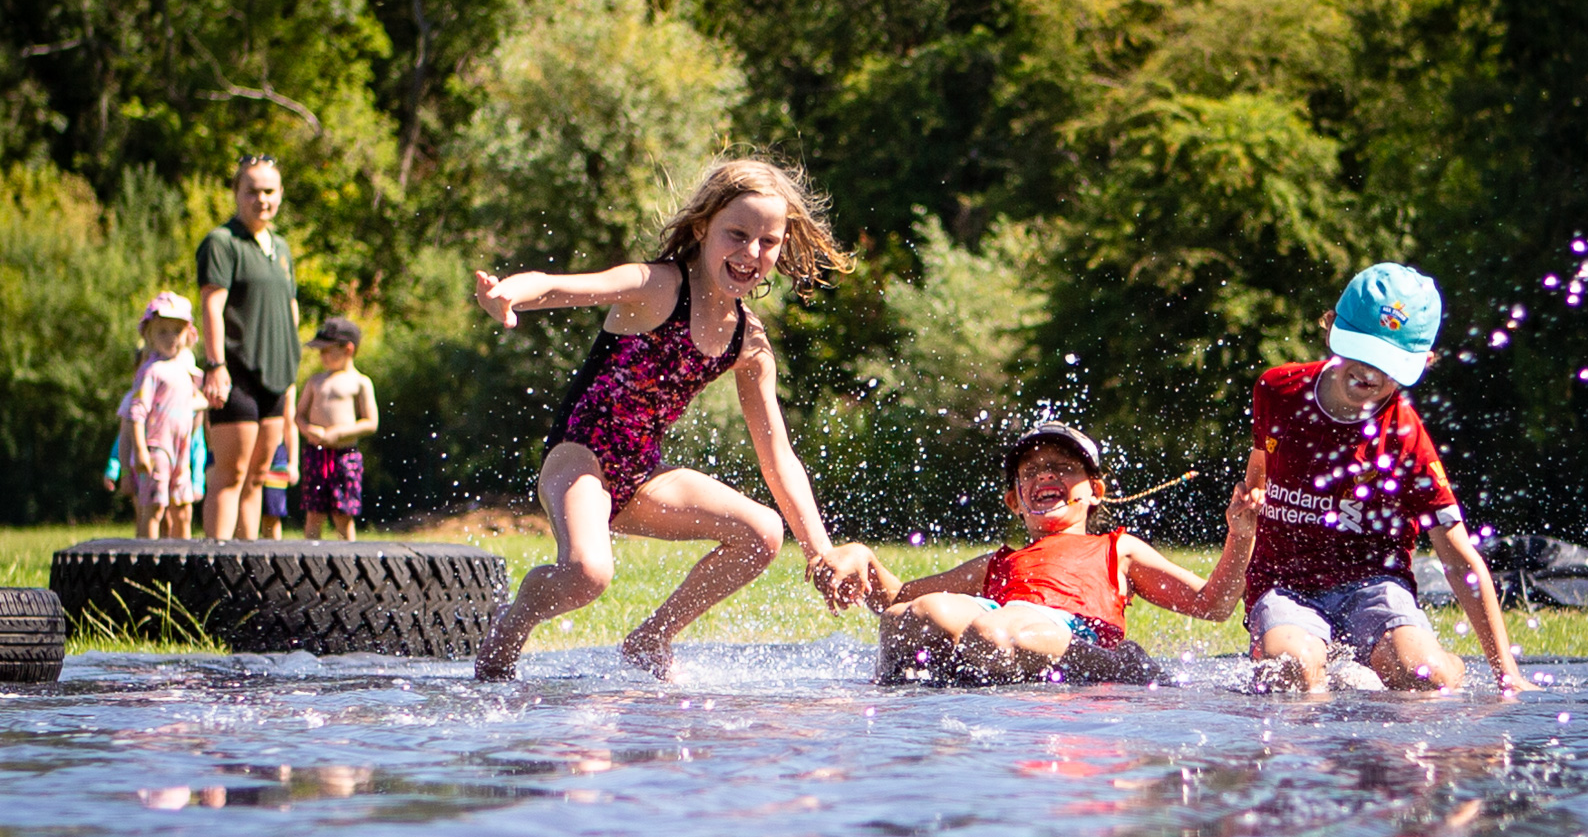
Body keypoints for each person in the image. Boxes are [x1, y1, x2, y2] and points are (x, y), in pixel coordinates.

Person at [470, 157, 882, 681]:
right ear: (702, 227)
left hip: (644, 475)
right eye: (737, 234)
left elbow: (777, 454)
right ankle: (517, 615)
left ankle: (652, 638)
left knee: (763, 532)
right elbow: (559, 286)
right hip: (581, 457)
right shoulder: (657, 286)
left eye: (769, 242)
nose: (751, 253)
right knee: (587, 574)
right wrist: (509, 294)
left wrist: (820, 550)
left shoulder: (748, 342)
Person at [1241, 263, 1536, 693]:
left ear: (1424, 362)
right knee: (1293, 670)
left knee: (1422, 677)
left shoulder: (1406, 437)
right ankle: (1315, 657)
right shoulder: (1277, 390)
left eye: (1388, 362)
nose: (1370, 373)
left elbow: (1458, 560)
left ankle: (1444, 665)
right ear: (1329, 328)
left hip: (1375, 585)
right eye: (1361, 353)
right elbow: (1258, 470)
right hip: (1286, 585)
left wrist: (1505, 671)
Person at [869, 422, 1259, 685]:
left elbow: (1213, 604)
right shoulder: (996, 563)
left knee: (995, 631)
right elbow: (897, 597)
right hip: (997, 626)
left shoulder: (1116, 549)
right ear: (1014, 501)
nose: (1044, 475)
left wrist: (1241, 536)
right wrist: (860, 561)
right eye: (1031, 471)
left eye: (1063, 467)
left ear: (1095, 492)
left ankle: (1119, 667)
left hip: (1069, 633)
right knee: (911, 617)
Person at [197, 154, 300, 540]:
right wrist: (215, 365)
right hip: (235, 373)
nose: (262, 199)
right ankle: (215, 572)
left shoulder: (281, 247)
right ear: (236, 193)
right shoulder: (222, 242)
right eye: (252, 191)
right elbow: (212, 306)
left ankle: (248, 576)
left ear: (280, 194)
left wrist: (290, 372)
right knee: (230, 475)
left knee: (258, 476)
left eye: (269, 191)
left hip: (276, 377)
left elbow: (290, 309)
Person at [122, 293, 208, 539]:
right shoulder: (151, 371)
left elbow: (195, 408)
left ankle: (184, 563)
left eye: (176, 331)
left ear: (187, 334)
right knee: (154, 506)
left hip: (181, 448)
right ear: (149, 334)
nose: (171, 338)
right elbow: (136, 412)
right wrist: (139, 450)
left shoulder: (186, 369)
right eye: (162, 332)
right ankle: (147, 561)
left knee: (183, 509)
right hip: (157, 448)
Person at [294, 318, 376, 540]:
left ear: (348, 349)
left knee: (343, 513)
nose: (321, 356)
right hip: (316, 454)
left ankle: (349, 564)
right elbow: (298, 415)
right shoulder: (316, 381)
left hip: (344, 456)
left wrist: (340, 433)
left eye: (326, 351)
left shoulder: (360, 382)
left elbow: (371, 422)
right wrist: (308, 430)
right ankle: (309, 563)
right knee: (314, 513)